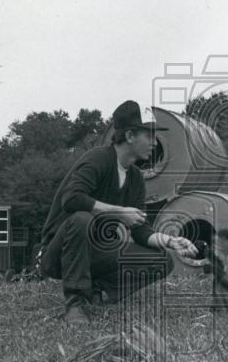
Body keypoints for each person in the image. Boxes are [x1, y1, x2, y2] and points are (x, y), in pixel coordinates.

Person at [39, 100, 197, 322]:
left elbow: (140, 229)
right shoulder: (98, 158)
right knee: (82, 218)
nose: (154, 142)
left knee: (162, 260)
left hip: (97, 252)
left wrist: (171, 241)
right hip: (60, 252)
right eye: (149, 135)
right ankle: (76, 303)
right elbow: (72, 198)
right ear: (130, 136)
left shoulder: (135, 178)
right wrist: (118, 212)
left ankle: (98, 292)